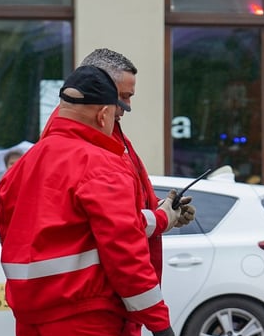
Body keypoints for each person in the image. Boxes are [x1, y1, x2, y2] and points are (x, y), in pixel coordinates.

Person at [0, 66, 176, 336]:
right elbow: (123, 249)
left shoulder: (28, 162)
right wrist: (159, 322)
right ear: (103, 115)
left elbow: (52, 232)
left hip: (35, 318)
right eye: (119, 111)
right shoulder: (100, 163)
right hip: (88, 321)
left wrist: (158, 219)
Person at [70, 49, 195, 282]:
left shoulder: (112, 137)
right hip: (99, 294)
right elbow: (117, 226)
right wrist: (163, 216)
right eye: (123, 96)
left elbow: (122, 207)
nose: (127, 106)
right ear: (98, 87)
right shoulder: (86, 149)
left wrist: (164, 208)